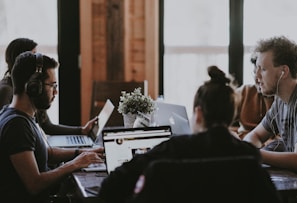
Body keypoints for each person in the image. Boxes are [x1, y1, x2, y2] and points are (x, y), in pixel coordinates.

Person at [98, 65, 261, 203]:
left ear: (198, 114)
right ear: (231, 114)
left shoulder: (171, 149)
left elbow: (110, 186)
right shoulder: (249, 155)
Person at [0, 51, 104, 203]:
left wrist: (84, 152)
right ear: (34, 87)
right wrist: (75, 164)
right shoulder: (17, 125)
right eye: (52, 85)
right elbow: (34, 184)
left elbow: (47, 153)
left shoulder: (19, 115)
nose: (56, 92)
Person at [0, 38, 97, 136]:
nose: (39, 62)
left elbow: (47, 126)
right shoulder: (6, 90)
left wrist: (81, 130)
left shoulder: (36, 88)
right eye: (33, 55)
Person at [243, 36, 297, 171]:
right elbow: (254, 135)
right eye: (257, 69)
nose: (257, 77)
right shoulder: (280, 102)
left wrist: (256, 154)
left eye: (263, 69)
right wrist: (253, 150)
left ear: (283, 72)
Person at [232, 54, 285, 152]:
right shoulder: (245, 91)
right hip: (248, 143)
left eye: (263, 71)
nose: (257, 78)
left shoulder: (283, 100)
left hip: (273, 148)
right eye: (254, 72)